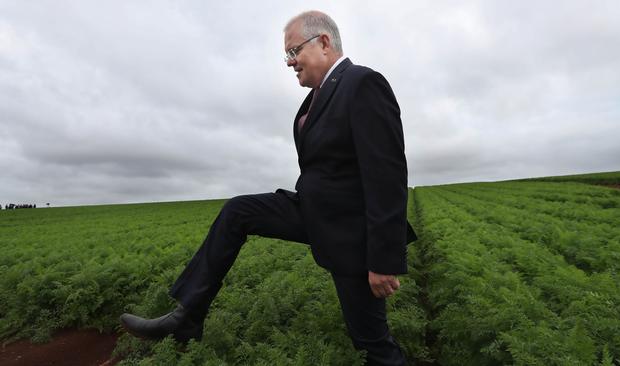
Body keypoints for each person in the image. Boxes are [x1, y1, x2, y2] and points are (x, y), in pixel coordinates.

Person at [120, 10, 416, 365]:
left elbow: (387, 173)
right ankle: (187, 318)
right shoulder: (314, 100)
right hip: (313, 212)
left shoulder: (362, 83)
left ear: (323, 42)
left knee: (371, 341)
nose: (290, 63)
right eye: (287, 55)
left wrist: (383, 259)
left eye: (294, 52)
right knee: (238, 211)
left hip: (351, 233)